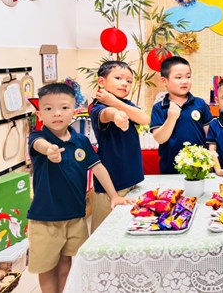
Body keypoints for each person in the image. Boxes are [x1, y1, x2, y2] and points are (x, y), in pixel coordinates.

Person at [27, 83, 134, 293]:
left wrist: (114, 195)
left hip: (75, 216)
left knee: (66, 261)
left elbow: (98, 167)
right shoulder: (38, 138)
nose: (57, 113)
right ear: (40, 114)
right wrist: (50, 150)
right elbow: (40, 145)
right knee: (47, 267)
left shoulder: (81, 141)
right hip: (45, 218)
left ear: (75, 111)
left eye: (64, 107)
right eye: (48, 108)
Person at [89, 61, 149, 231]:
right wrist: (117, 115)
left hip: (131, 180)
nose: (125, 83)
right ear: (101, 82)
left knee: (126, 228)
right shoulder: (97, 107)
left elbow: (144, 119)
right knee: (104, 230)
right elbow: (108, 114)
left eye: (129, 81)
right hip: (111, 186)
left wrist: (116, 102)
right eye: (118, 78)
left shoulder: (125, 104)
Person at [150, 56, 213, 174]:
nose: (185, 81)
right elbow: (160, 139)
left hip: (199, 166)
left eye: (188, 76)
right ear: (164, 81)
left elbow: (210, 136)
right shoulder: (159, 107)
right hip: (170, 168)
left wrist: (211, 161)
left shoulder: (200, 104)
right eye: (178, 77)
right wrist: (171, 118)